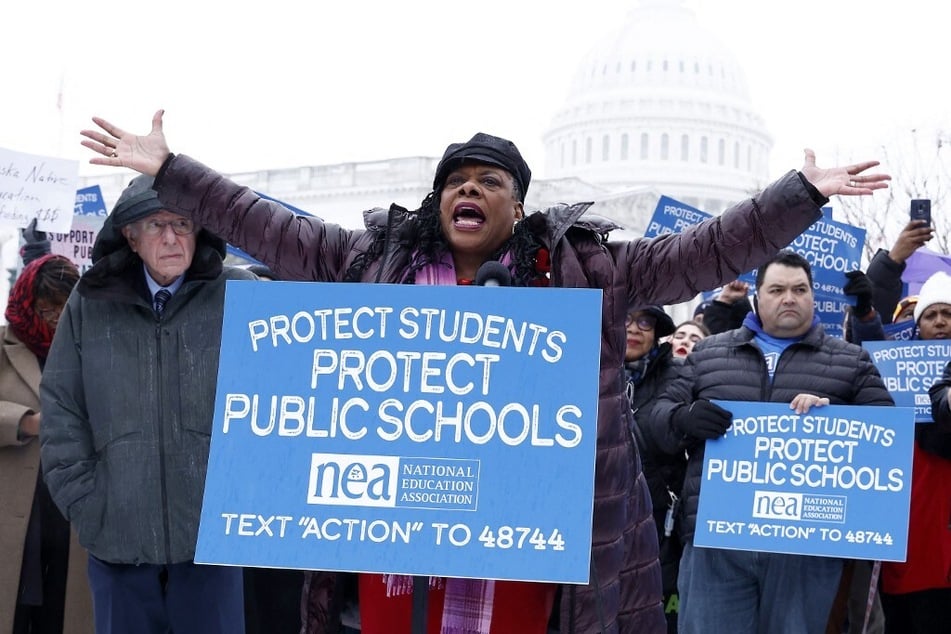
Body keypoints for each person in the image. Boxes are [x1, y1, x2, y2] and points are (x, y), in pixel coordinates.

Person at [79, 110, 889, 634]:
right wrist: (173, 169)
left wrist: (799, 196)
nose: (468, 188)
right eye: (454, 180)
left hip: (524, 559)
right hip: (397, 553)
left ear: (517, 207)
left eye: (489, 181)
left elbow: (708, 249)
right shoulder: (367, 264)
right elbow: (263, 221)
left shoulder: (589, 273)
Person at [39, 175, 256, 634]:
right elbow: (62, 405)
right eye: (157, 225)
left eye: (183, 223)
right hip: (117, 542)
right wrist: (87, 503)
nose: (173, 237)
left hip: (210, 543)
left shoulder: (240, 293)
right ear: (131, 238)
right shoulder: (90, 301)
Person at [649, 250, 894, 634]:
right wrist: (684, 418)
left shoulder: (852, 361)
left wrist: (839, 418)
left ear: (813, 296)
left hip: (805, 545)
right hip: (718, 538)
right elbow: (656, 421)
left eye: (799, 289)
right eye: (777, 289)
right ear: (757, 297)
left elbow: (887, 441)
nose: (789, 298)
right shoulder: (710, 352)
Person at [1, 254, 93, 634]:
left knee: (64, 607)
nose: (55, 319)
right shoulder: (3, 347)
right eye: (46, 309)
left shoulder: (95, 343)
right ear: (27, 302)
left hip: (73, 501)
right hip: (17, 503)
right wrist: (25, 422)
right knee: (15, 604)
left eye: (64, 307)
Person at [878, 270, 951, 633]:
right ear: (917, 326)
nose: (940, 322)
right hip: (911, 531)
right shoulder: (893, 377)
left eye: (948, 314)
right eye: (930, 315)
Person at [623, 306, 685, 633]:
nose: (634, 329)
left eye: (644, 322)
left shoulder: (676, 374)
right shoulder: (588, 367)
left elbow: (669, 426)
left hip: (655, 512)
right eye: (626, 320)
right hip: (594, 513)